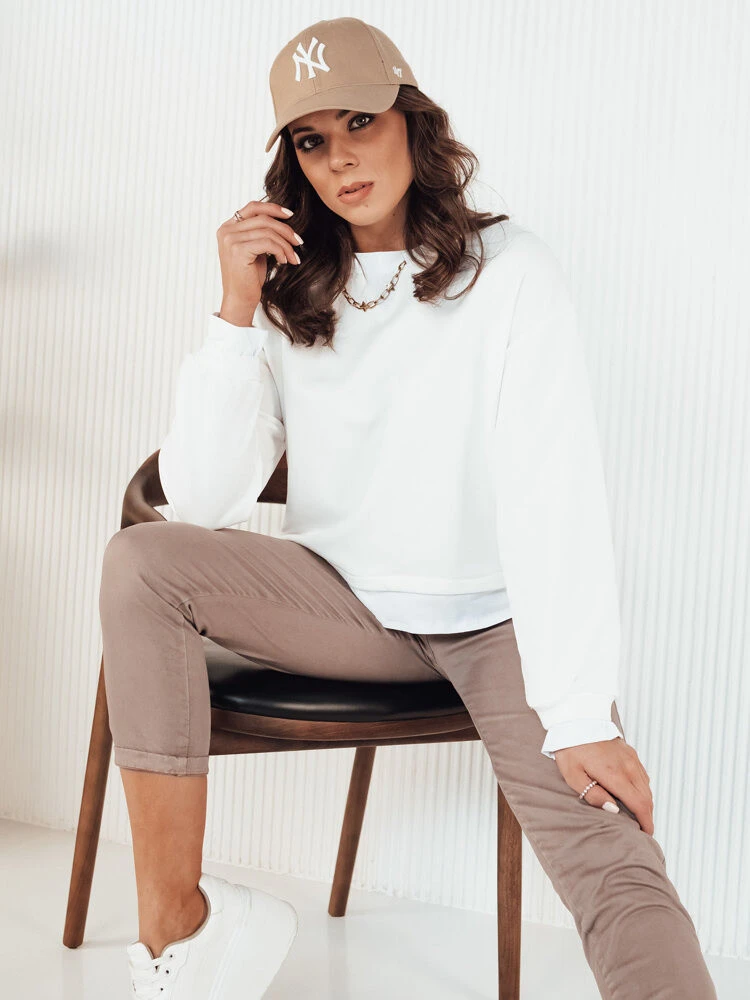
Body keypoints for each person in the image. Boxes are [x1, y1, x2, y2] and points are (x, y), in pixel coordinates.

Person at [98, 16, 718, 1000]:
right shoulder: (295, 290)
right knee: (141, 564)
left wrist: (578, 712)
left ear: (411, 122)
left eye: (361, 123)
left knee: (609, 849)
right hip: (347, 608)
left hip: (496, 622)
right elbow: (200, 498)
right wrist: (232, 313)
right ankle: (184, 930)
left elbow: (553, 495)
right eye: (313, 141)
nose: (342, 160)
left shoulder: (511, 274)